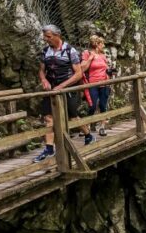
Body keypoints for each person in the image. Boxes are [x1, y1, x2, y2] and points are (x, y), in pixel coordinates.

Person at [34, 24, 92, 163]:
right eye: (45, 37)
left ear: (57, 35)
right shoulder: (45, 51)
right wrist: (44, 80)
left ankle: (88, 135)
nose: (46, 39)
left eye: (48, 37)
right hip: (52, 88)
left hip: (68, 87)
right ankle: (49, 148)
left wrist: (62, 86)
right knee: (49, 117)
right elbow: (41, 70)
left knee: (72, 116)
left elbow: (78, 74)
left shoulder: (69, 51)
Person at [81, 35, 112, 136]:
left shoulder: (103, 55)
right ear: (97, 45)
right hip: (92, 84)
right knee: (92, 106)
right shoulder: (87, 53)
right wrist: (90, 58)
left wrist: (109, 72)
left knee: (103, 105)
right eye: (102, 43)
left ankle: (102, 127)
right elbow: (82, 69)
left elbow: (105, 68)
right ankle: (87, 127)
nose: (103, 45)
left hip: (104, 83)